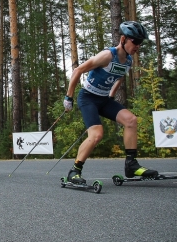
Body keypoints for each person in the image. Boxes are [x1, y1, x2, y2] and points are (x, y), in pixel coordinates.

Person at [63, 21, 159, 183]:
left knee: (131, 120)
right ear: (123, 39)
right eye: (134, 41)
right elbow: (78, 70)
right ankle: (75, 171)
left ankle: (131, 165)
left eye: (140, 43)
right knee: (97, 135)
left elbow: (119, 77)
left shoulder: (128, 61)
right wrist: (69, 97)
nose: (137, 46)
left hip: (104, 99)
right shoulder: (107, 55)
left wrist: (111, 95)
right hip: (88, 98)